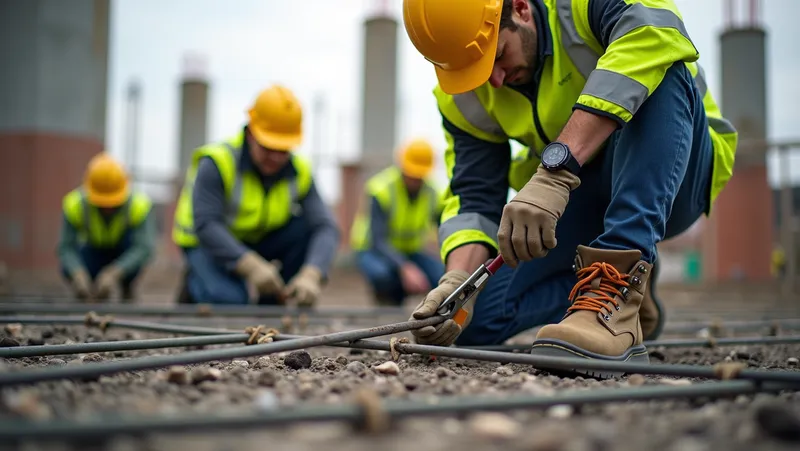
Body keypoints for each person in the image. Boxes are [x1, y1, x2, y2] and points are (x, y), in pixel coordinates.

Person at [401, 0, 738, 372]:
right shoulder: (467, 88)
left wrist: (555, 171)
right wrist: (458, 281)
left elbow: (655, 34)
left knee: (655, 56)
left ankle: (621, 274)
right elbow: (475, 194)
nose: (493, 79)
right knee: (473, 320)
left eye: (497, 55)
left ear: (520, 8)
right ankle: (616, 290)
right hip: (577, 195)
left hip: (675, 174)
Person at [172, 84, 340, 306]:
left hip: (257, 240)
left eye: (283, 149)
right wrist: (251, 266)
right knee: (229, 301)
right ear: (251, 132)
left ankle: (275, 299)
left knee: (306, 228)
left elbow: (325, 227)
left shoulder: (299, 171)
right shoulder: (217, 162)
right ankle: (196, 282)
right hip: (208, 243)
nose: (276, 157)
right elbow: (206, 225)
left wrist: (312, 274)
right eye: (268, 148)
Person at [350, 138, 445, 306]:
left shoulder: (433, 194)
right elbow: (378, 241)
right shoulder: (381, 189)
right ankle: (387, 302)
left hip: (410, 251)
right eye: (412, 174)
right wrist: (406, 268)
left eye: (420, 175)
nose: (416, 179)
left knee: (441, 276)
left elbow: (443, 230)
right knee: (383, 276)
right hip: (373, 250)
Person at [58, 153, 156, 302]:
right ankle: (85, 288)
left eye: (113, 203)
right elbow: (65, 247)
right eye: (101, 203)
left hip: (122, 252)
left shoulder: (138, 206)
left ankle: (126, 286)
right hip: (93, 251)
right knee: (67, 267)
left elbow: (144, 248)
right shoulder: (74, 205)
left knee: (134, 256)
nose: (107, 207)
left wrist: (115, 272)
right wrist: (77, 272)